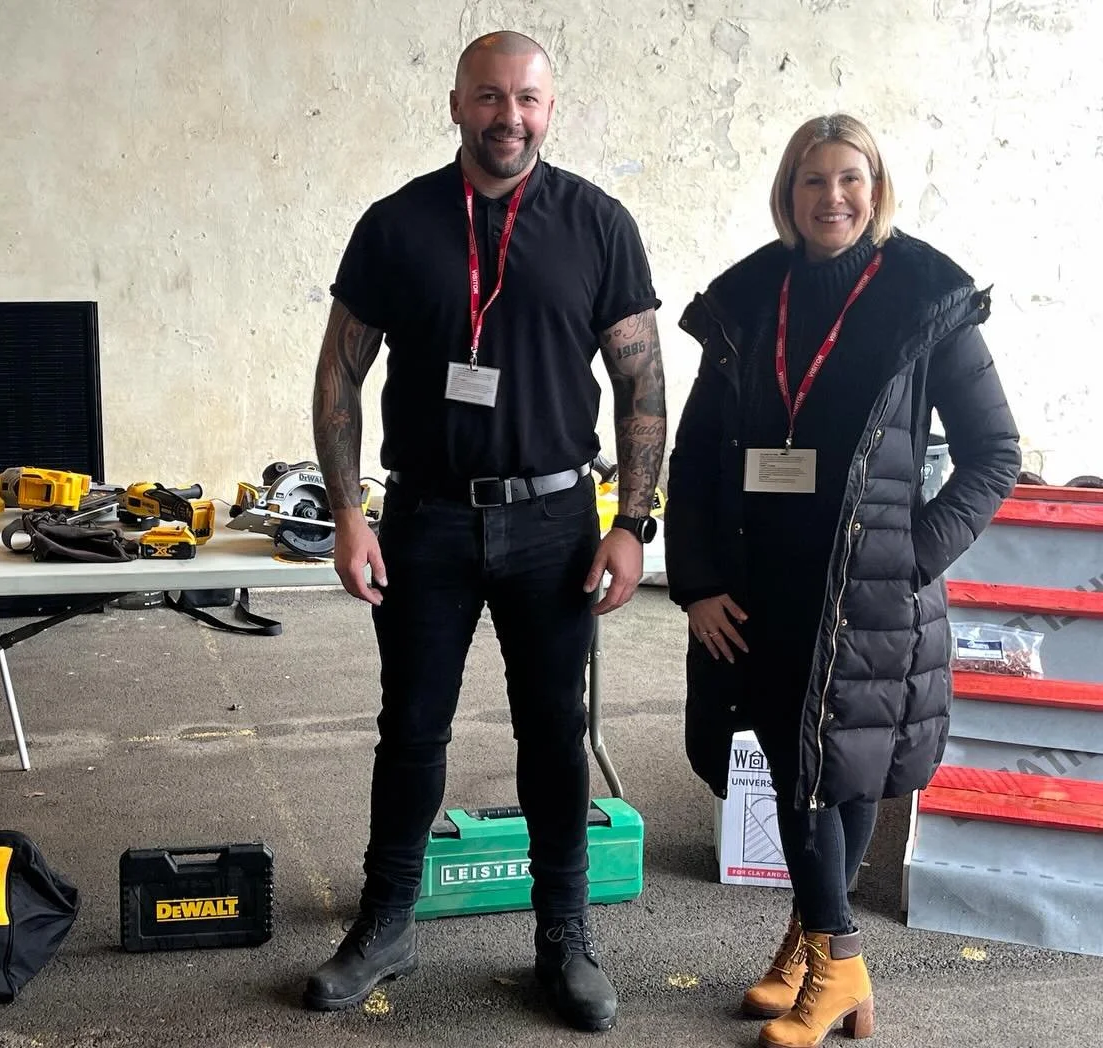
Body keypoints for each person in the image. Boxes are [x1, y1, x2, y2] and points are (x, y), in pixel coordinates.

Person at [304, 30, 664, 1033]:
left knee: (553, 732)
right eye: (492, 97)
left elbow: (640, 378)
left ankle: (564, 936)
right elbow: (341, 370)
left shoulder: (598, 224)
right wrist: (346, 510)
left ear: (552, 108)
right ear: (457, 102)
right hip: (422, 519)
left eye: (530, 100)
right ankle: (386, 923)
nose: (512, 117)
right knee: (410, 730)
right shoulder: (396, 224)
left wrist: (631, 522)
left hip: (555, 520)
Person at [665, 114, 1020, 1048]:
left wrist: (918, 554)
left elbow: (995, 454)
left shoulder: (925, 296)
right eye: (814, 180)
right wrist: (697, 581)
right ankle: (823, 947)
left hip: (870, 590)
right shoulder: (748, 300)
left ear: (877, 186)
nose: (834, 198)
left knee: (846, 778)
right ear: (789, 192)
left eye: (850, 179)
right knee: (795, 771)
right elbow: (696, 458)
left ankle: (833, 959)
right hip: (760, 586)